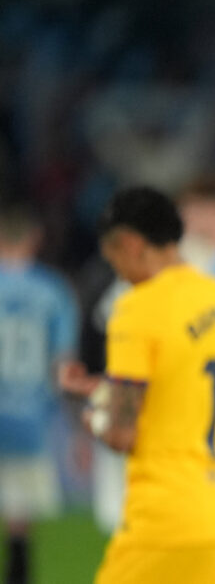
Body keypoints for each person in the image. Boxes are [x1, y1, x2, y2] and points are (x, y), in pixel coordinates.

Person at [58, 186, 215, 584]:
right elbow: (185, 388)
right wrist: (105, 388)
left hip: (171, 523)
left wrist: (93, 416)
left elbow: (121, 432)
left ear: (132, 244)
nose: (117, 271)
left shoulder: (137, 308)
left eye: (113, 257)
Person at [0, 204, 79, 584]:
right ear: (34, 239)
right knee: (20, 507)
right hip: (32, 409)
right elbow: (62, 363)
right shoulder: (53, 290)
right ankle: (18, 574)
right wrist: (74, 425)